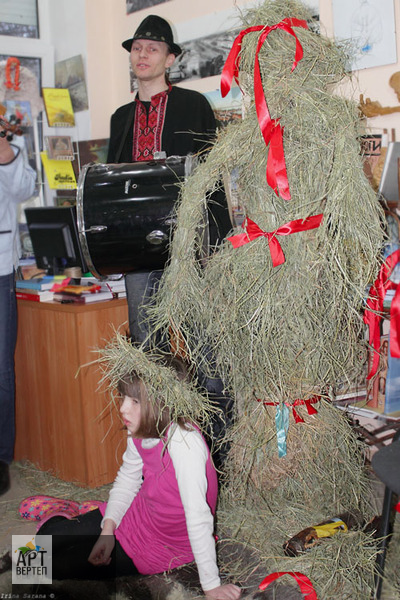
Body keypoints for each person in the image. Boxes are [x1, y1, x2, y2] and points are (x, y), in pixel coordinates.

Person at [106, 14, 234, 471]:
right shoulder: (121, 119)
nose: (142, 55)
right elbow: (112, 193)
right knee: (149, 351)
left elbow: (212, 179)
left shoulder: (192, 105)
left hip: (189, 249)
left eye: (152, 48)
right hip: (141, 255)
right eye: (136, 48)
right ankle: (162, 455)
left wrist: (214, 245)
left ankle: (218, 453)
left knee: (205, 347)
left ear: (170, 58)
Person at [37, 356, 241, 600]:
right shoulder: (142, 426)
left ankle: (73, 523)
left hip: (161, 544)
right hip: (137, 514)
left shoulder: (185, 443)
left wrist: (211, 586)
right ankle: (68, 515)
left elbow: (199, 519)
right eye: (123, 397)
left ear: (162, 403)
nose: (123, 408)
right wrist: (108, 529)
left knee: (53, 567)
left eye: (135, 401)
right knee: (45, 539)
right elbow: (127, 479)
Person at [0, 128, 36, 495]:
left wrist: (5, 152)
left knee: (0, 370)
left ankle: (1, 458)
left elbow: (25, 189)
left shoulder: (10, 145)